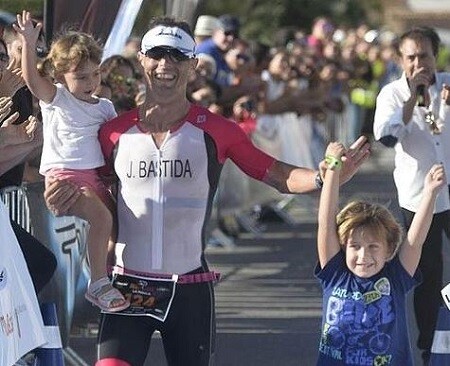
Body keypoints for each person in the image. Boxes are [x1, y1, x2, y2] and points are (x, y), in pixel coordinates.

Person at [43, 16, 370, 366]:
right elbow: (83, 188)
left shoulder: (216, 130)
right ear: (141, 59)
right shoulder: (111, 132)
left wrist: (323, 178)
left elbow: (274, 173)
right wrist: (61, 200)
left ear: (193, 64)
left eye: (177, 56)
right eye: (156, 53)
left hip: (190, 289)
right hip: (127, 289)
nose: (166, 64)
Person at [14, 10, 129, 312]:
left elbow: (112, 145)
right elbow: (30, 78)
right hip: (64, 177)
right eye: (81, 76)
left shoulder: (105, 106)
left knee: (118, 225)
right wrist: (28, 42)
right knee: (102, 220)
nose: (90, 82)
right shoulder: (57, 98)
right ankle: (98, 284)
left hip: (94, 177)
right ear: (60, 76)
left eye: (95, 74)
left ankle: (112, 278)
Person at [315, 141, 445, 365]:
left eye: (373, 247)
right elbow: (326, 223)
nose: (363, 256)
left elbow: (415, 242)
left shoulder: (395, 279)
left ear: (388, 250)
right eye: (355, 246)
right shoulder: (335, 275)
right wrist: (332, 169)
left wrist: (430, 194)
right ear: (344, 246)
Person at [373, 26, 450, 365]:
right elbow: (387, 137)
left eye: (425, 56)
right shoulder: (392, 93)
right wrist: (412, 97)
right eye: (412, 57)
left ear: (436, 56)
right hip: (420, 197)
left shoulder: (447, 84)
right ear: (401, 60)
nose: (419, 63)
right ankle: (430, 346)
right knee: (428, 272)